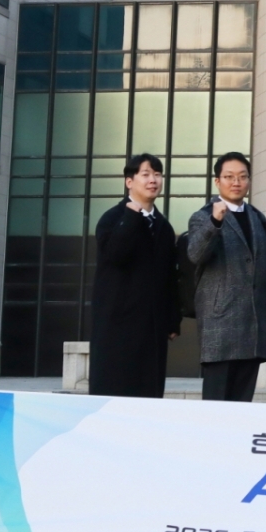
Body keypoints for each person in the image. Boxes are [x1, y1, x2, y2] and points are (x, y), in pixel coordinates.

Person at [187, 152, 266, 402]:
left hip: (253, 323)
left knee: (242, 403)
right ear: (217, 181)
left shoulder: (257, 217)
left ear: (249, 180)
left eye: (242, 176)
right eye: (229, 177)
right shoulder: (203, 216)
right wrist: (215, 222)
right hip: (220, 323)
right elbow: (195, 254)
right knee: (217, 403)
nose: (236, 182)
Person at [89, 153, 181, 397]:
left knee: (148, 393)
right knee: (114, 392)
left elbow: (170, 278)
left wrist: (172, 319)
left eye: (158, 174)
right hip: (117, 324)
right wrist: (131, 217)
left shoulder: (163, 226)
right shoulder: (112, 218)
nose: (153, 180)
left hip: (152, 327)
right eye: (146, 174)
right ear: (129, 181)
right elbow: (115, 255)